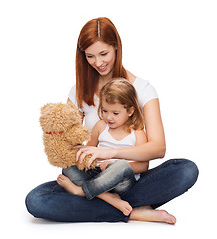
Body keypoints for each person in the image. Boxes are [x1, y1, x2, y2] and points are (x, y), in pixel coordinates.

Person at [25, 17, 199, 224]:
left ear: (116, 47)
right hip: (92, 176)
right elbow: (69, 145)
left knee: (186, 169)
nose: (98, 63)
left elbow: (158, 148)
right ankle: (130, 210)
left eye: (104, 54)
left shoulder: (143, 90)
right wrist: (59, 138)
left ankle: (97, 202)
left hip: (129, 178)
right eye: (90, 56)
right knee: (36, 200)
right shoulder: (78, 92)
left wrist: (109, 153)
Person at [57, 78, 151, 217]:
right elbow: (89, 151)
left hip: (121, 181)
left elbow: (143, 166)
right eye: (105, 111)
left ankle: (80, 191)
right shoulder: (101, 126)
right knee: (68, 167)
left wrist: (112, 164)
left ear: (130, 111)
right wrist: (78, 152)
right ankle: (107, 197)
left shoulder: (137, 132)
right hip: (98, 174)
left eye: (115, 113)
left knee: (121, 166)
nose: (109, 117)